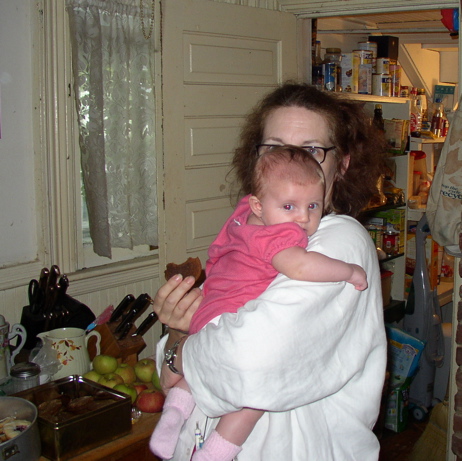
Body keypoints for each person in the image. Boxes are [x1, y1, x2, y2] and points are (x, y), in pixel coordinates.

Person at [151, 82, 388, 460]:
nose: (295, 162)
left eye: (312, 149)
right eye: (276, 147)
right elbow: (199, 342)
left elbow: (247, 360)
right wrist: (179, 328)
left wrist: (178, 353)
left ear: (341, 165)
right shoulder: (249, 227)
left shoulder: (341, 241)